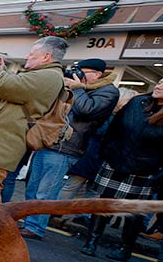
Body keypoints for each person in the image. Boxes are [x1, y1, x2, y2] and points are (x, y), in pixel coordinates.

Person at [0, 36, 68, 204]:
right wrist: (2, 72)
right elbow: (11, 90)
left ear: (46, 57)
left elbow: (2, 86)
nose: (27, 57)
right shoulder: (45, 75)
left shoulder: (49, 76)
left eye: (32, 54)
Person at [80, 72, 163, 260]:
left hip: (145, 169)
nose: (158, 86)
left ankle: (125, 249)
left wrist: (157, 170)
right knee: (103, 203)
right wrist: (107, 153)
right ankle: (91, 241)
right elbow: (114, 129)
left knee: (135, 211)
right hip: (115, 161)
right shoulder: (138, 102)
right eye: (159, 82)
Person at [20, 58, 119, 240]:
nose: (78, 75)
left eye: (83, 72)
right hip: (48, 141)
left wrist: (78, 88)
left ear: (97, 74)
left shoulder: (108, 92)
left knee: (46, 192)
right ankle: (27, 222)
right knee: (32, 188)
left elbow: (87, 110)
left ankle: (35, 227)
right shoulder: (77, 87)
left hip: (67, 148)